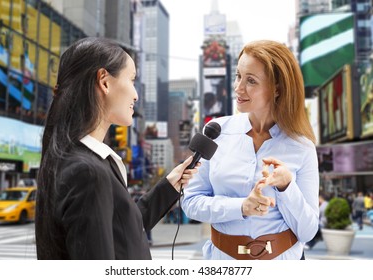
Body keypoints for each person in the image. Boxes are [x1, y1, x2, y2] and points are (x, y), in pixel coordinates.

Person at [35, 37, 199, 260]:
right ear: (104, 81)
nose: (136, 94)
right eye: (131, 80)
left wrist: (169, 186)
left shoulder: (85, 160)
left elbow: (125, 229)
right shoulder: (87, 171)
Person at [182, 40, 319, 260]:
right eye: (238, 76)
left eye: (251, 81)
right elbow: (190, 202)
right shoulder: (216, 131)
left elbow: (308, 231)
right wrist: (242, 207)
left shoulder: (302, 147)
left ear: (277, 89)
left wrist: (286, 188)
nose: (238, 87)